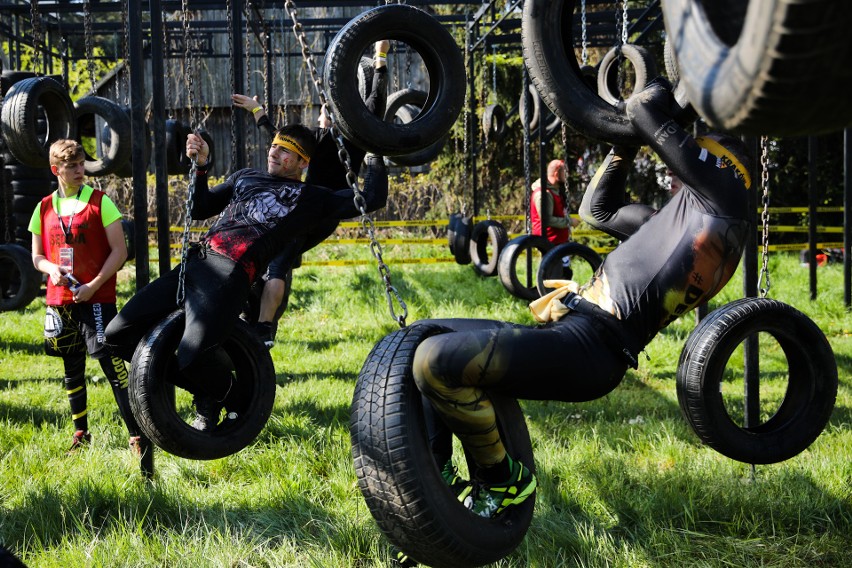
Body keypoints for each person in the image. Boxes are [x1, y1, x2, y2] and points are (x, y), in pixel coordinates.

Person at [409, 78, 752, 519]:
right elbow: (598, 211)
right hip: (573, 331)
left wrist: (668, 99)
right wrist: (625, 146)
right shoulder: (682, 222)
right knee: (421, 337)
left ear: (719, 163)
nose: (674, 173)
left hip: (591, 348)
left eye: (694, 153)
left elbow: (646, 111)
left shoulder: (726, 198)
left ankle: (501, 479)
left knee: (434, 361)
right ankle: (437, 480)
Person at [104, 124, 388, 431]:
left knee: (191, 357)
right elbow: (200, 207)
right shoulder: (245, 177)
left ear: (303, 163)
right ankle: (204, 389)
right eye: (274, 147)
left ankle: (237, 399)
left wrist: (374, 150)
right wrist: (201, 167)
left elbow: (371, 198)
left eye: (285, 151)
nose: (273, 153)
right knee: (117, 335)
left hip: (230, 276)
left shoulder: (311, 198)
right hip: (195, 264)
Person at [231, 40, 391, 347]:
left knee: (279, 258)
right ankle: (260, 320)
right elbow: (376, 103)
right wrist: (380, 58)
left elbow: (282, 139)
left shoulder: (340, 135)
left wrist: (259, 114)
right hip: (325, 211)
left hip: (314, 207)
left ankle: (263, 324)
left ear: (331, 115)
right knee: (280, 258)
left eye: (324, 113)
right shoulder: (348, 135)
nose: (321, 117)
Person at [29, 139, 149, 458]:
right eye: (72, 166)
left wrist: (94, 285)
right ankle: (81, 433)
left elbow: (120, 252)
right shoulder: (42, 207)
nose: (80, 171)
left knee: (112, 367)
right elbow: (37, 257)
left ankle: (137, 435)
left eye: (82, 164)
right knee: (72, 369)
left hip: (96, 299)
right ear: (57, 170)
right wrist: (50, 268)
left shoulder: (100, 202)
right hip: (60, 301)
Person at [530, 158, 581, 245]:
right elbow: (547, 220)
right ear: (556, 174)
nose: (567, 175)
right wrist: (570, 222)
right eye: (564, 172)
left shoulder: (554, 191)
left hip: (558, 242)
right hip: (549, 243)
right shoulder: (543, 194)